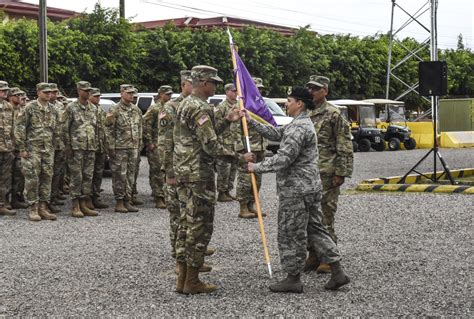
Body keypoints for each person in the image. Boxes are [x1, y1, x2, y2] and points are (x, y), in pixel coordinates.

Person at [244, 87, 350, 293]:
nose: (286, 104)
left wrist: (255, 167)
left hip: (296, 190)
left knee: (290, 233)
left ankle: (293, 278)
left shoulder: (300, 127)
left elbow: (284, 159)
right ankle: (338, 272)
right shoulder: (299, 124)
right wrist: (250, 120)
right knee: (316, 229)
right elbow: (275, 133)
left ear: (300, 103)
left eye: (289, 100)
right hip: (308, 188)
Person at [173, 65, 254, 294]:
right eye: (214, 82)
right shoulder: (199, 108)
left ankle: (183, 279)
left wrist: (227, 120)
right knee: (199, 226)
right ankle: (192, 281)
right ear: (205, 83)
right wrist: (240, 157)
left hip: (186, 171)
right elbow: (210, 146)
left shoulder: (188, 103)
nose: (216, 86)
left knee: (186, 225)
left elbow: (203, 134)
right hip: (199, 174)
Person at [304, 76, 354, 273]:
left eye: (315, 89)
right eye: (309, 88)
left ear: (325, 91)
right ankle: (313, 253)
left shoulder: (333, 114)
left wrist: (341, 172)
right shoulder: (305, 112)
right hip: (308, 172)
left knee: (325, 215)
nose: (311, 92)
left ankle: (328, 256)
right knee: (308, 215)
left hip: (327, 172)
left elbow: (344, 144)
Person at [15, 83, 57, 221]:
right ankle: (33, 207)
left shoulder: (53, 109)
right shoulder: (30, 108)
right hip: (32, 150)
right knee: (32, 178)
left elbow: (56, 130)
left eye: (50, 92)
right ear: (38, 92)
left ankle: (43, 207)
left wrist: (54, 146)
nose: (48, 94)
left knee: (47, 177)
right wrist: (22, 148)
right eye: (45, 92)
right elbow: (20, 128)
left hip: (48, 149)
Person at [63, 81, 99, 218]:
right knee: (76, 177)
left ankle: (84, 203)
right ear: (79, 90)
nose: (87, 92)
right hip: (76, 148)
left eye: (89, 90)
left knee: (88, 176)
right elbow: (64, 128)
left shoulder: (93, 108)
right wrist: (68, 147)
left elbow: (95, 128)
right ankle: (75, 205)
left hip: (90, 147)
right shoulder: (71, 108)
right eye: (85, 90)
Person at [106, 85, 143, 213]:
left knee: (130, 175)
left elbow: (140, 128)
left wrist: (139, 145)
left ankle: (128, 200)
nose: (131, 95)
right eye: (129, 93)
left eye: (133, 93)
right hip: (119, 147)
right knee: (119, 175)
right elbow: (109, 130)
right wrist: (111, 147)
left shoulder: (136, 110)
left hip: (133, 147)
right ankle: (119, 202)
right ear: (122, 93)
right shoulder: (114, 109)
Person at [234, 77, 268, 218]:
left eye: (260, 89)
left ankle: (252, 205)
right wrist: (240, 149)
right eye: (256, 88)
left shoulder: (260, 106)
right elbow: (235, 129)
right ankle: (243, 207)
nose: (258, 91)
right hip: (248, 147)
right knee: (245, 179)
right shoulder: (241, 105)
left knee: (257, 178)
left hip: (260, 146)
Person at [143, 85, 173, 209]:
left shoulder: (170, 107)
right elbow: (146, 125)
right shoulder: (155, 108)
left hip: (167, 144)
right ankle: (158, 197)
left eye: (170, 94)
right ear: (161, 94)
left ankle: (165, 194)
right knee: (157, 171)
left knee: (166, 170)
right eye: (167, 94)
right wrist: (149, 142)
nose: (169, 96)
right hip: (156, 144)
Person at [215, 83, 239, 202]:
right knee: (224, 168)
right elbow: (216, 127)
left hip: (235, 142)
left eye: (236, 91)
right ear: (227, 92)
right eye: (234, 91)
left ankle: (228, 190)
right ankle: (221, 192)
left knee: (233, 168)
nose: (236, 93)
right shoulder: (221, 107)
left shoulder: (238, 106)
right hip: (224, 143)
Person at [7, 87, 28, 210]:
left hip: (18, 147)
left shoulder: (21, 111)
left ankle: (16, 198)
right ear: (10, 97)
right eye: (16, 95)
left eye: (20, 95)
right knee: (6, 176)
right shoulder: (6, 110)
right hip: (7, 147)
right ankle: (5, 201)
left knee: (19, 174)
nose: (19, 97)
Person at [89, 88, 109, 209]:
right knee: (87, 174)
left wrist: (106, 146)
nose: (98, 98)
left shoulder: (100, 110)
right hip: (89, 147)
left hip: (100, 147)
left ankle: (95, 197)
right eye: (95, 96)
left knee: (98, 174)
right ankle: (87, 199)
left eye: (98, 96)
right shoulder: (88, 110)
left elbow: (104, 129)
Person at [48, 83, 66, 214]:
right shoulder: (35, 107)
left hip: (59, 144)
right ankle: (46, 201)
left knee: (57, 172)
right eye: (51, 92)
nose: (53, 94)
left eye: (55, 92)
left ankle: (53, 197)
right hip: (47, 146)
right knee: (47, 174)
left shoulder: (59, 106)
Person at [0, 81, 16, 216]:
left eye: (6, 90)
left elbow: (12, 128)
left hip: (6, 148)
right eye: (2, 90)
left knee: (5, 177)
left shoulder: (8, 107)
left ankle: (2, 203)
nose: (5, 92)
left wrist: (13, 145)